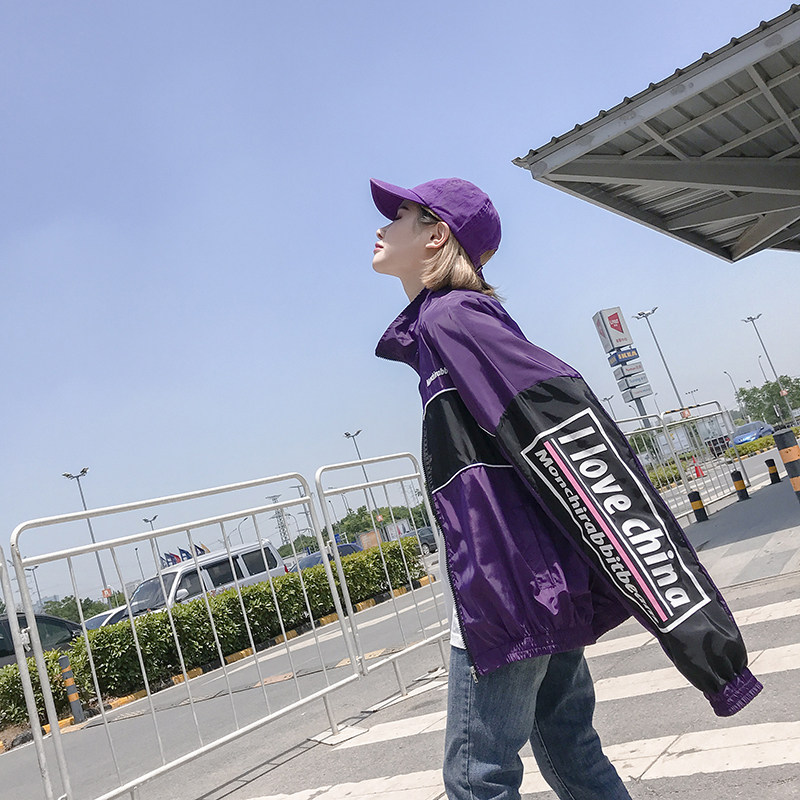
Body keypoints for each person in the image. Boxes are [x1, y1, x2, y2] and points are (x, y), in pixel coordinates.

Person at [369, 176, 762, 800]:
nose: (382, 226)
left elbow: (564, 428)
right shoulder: (452, 323)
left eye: (400, 215)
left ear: (436, 235)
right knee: (570, 750)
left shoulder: (451, 319)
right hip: (536, 580)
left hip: (507, 586)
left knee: (476, 777)